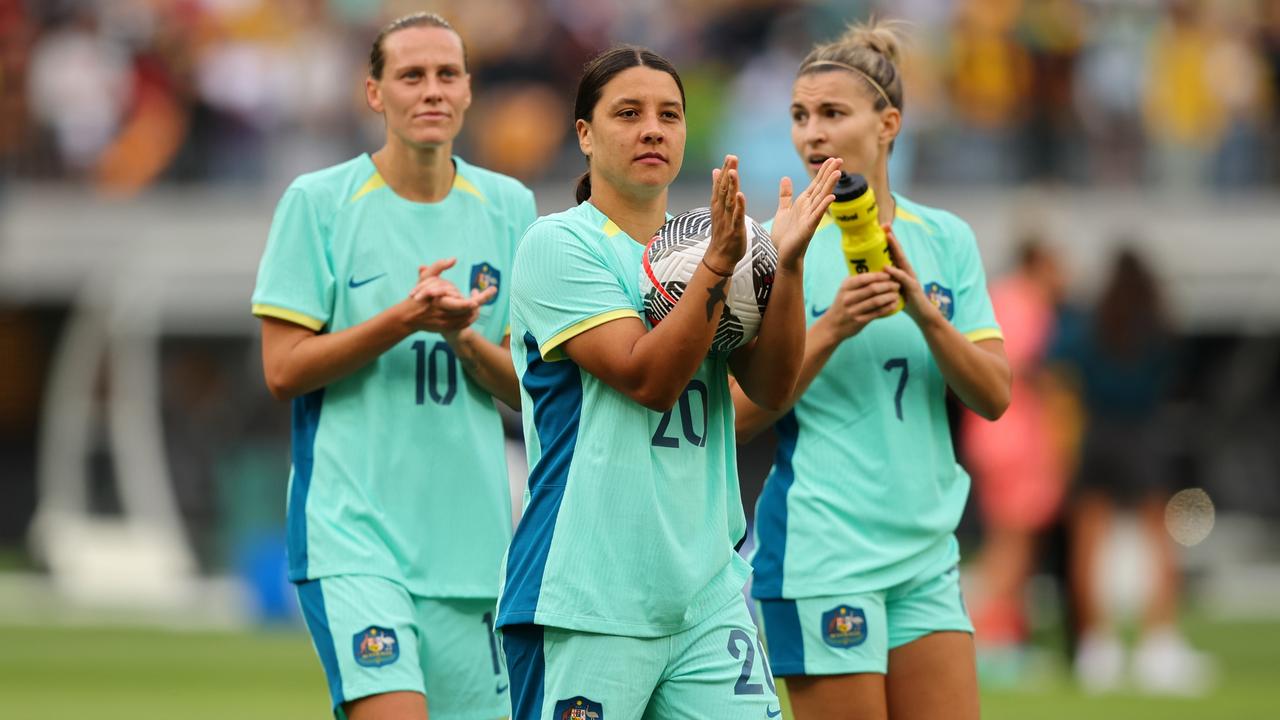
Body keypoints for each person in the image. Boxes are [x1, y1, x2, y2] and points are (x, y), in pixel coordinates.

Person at [495, 45, 842, 719]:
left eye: (669, 114)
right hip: (590, 594)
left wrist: (787, 270)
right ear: (585, 135)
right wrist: (719, 265)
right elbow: (646, 377)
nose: (653, 128)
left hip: (705, 593)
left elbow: (771, 388)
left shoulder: (710, 249)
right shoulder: (560, 246)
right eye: (628, 113)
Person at [251, 13, 535, 720]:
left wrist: (467, 339)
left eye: (447, 74)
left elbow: (534, 391)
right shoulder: (318, 202)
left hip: (473, 548)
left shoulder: (511, 206)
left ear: (470, 90)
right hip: (352, 535)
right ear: (374, 94)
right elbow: (283, 370)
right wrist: (401, 320)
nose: (431, 90)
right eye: (411, 75)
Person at [733, 19, 1012, 720]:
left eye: (832, 113)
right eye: (799, 116)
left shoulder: (945, 238)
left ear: (888, 124)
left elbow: (995, 395)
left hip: (926, 553)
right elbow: (739, 415)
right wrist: (832, 328)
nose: (810, 134)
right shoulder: (773, 244)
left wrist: (926, 315)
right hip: (824, 550)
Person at [1054, 246, 1213, 695]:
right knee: (1158, 540)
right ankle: (1157, 644)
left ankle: (1095, 648)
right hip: (1143, 434)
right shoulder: (1156, 321)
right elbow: (1175, 370)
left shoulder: (1091, 320)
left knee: (1088, 539)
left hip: (1098, 432)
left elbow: (1059, 358)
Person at [959, 239, 1075, 682]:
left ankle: (1004, 632)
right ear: (1038, 263)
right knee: (1014, 543)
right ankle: (990, 637)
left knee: (1011, 542)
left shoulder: (998, 296)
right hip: (1015, 437)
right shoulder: (1025, 303)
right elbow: (1020, 364)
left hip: (993, 434)